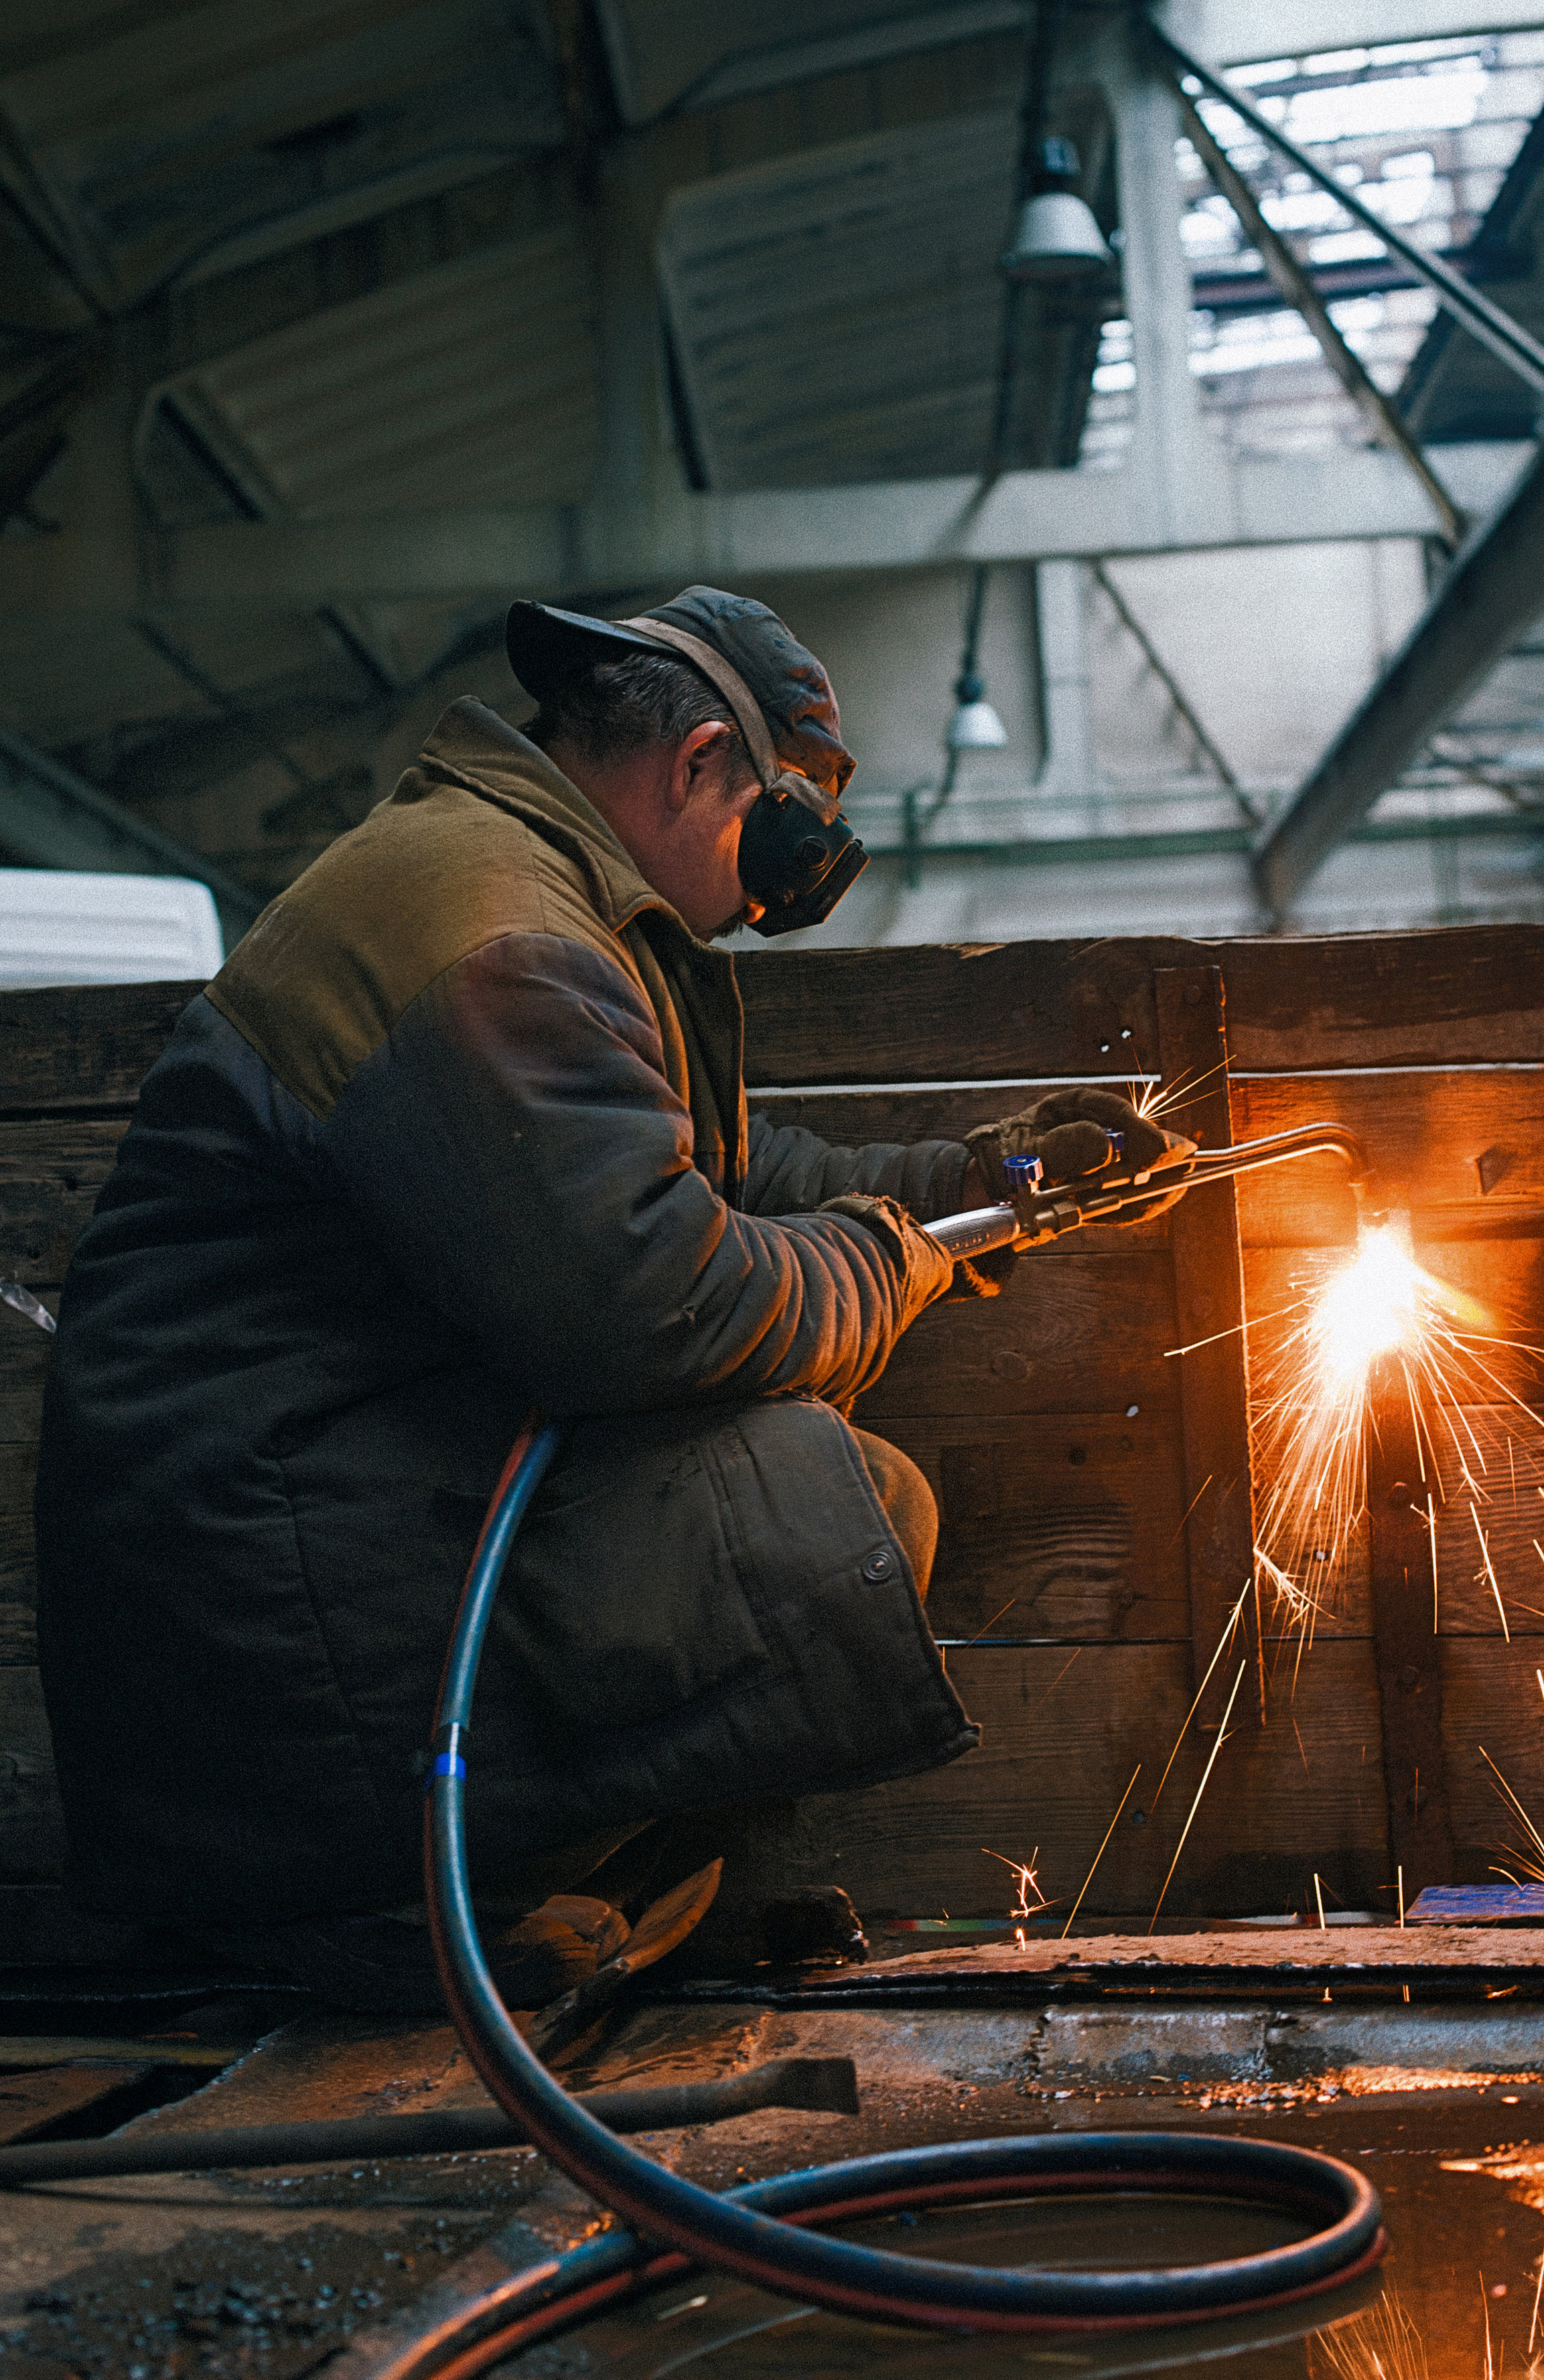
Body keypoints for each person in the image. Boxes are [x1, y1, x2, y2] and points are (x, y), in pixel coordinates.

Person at [33, 588, 1190, 2010]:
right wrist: (895, 1253)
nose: (795, 871)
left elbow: (727, 1179)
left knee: (797, 1490)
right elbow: (666, 1309)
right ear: (700, 762)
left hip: (323, 1535)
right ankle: (372, 1901)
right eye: (788, 813)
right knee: (820, 1513)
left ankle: (498, 1882)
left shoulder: (537, 892)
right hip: (268, 1622)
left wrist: (984, 1177)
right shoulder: (493, 938)